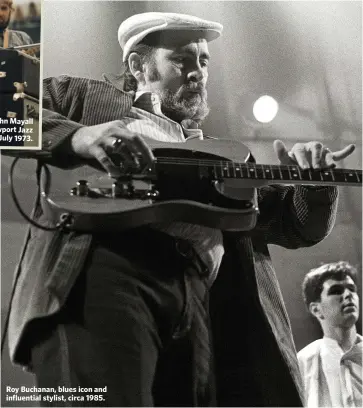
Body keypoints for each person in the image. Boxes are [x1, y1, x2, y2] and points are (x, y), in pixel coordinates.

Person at [3, 11, 356, 407]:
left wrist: (317, 183)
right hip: (106, 275)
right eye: (183, 59)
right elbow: (5, 103)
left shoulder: (224, 157)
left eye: (203, 61)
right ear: (138, 65)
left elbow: (297, 226)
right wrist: (80, 137)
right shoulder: (85, 99)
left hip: (205, 309)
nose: (198, 72)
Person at [298, 261, 362, 407]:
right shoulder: (302, 363)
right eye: (336, 291)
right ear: (316, 309)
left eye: (352, 289)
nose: (348, 295)